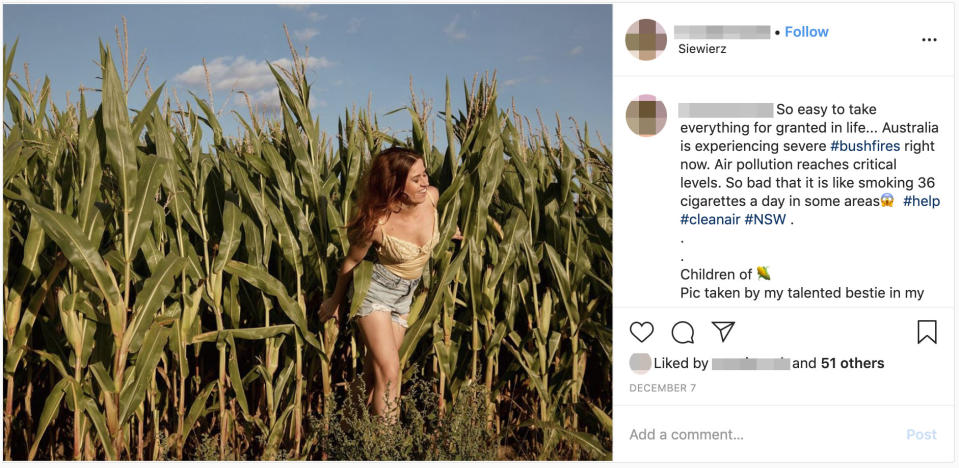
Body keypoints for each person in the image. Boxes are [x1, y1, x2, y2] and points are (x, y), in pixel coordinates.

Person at [318, 147, 458, 419]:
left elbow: (441, 224)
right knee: (391, 372)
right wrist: (335, 301)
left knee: (374, 375)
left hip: (405, 296)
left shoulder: (432, 198)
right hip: (375, 293)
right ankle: (385, 450)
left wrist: (450, 230)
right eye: (416, 179)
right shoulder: (377, 224)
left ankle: (345, 432)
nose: (425, 183)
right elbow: (350, 263)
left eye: (425, 174)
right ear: (395, 184)